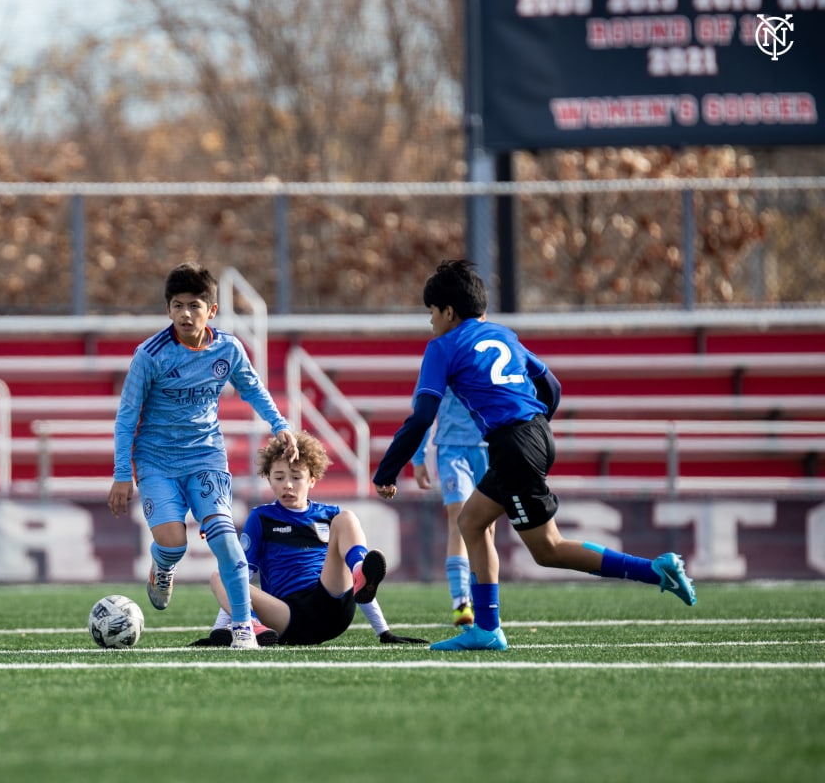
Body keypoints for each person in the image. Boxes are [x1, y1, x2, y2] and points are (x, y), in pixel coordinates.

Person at [372, 259, 697, 651]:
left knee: (549, 549)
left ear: (448, 312)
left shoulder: (442, 347)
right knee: (472, 523)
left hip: (514, 445)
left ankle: (655, 570)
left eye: (431, 314)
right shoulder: (504, 334)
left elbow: (423, 414)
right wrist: (531, 427)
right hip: (534, 434)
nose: (430, 323)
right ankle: (486, 628)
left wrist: (387, 471)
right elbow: (552, 386)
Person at [107, 261, 299, 649]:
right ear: (168, 310)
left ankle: (243, 628)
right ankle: (163, 567)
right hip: (156, 461)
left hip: (206, 457)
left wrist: (279, 425)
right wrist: (121, 473)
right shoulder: (150, 355)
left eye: (194, 305)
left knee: (227, 542)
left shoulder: (228, 348)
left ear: (211, 310)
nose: (185, 314)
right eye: (177, 305)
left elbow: (253, 388)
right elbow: (127, 416)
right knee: (174, 542)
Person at [192, 431, 429, 647]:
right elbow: (238, 576)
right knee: (221, 575)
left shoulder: (330, 515)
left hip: (332, 605)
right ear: (269, 480)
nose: (287, 485)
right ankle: (250, 625)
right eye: (279, 477)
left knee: (346, 518)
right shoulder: (261, 517)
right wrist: (218, 631)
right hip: (286, 617)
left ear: (312, 480)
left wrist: (383, 631)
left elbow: (364, 590)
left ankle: (360, 570)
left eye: (296, 477)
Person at [413, 391, 489, 628]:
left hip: (489, 447)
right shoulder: (440, 358)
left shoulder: (487, 355)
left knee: (487, 525)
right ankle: (460, 602)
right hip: (451, 450)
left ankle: (484, 602)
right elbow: (424, 409)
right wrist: (418, 458)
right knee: (459, 519)